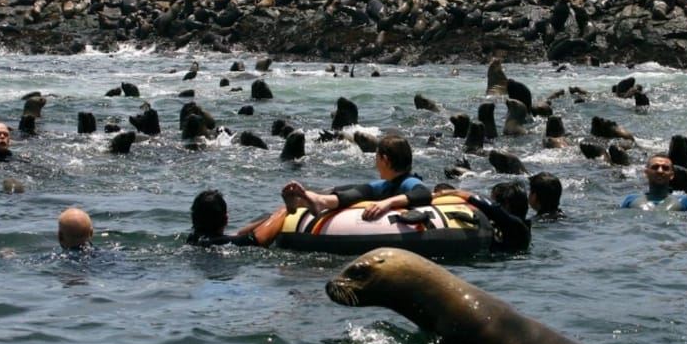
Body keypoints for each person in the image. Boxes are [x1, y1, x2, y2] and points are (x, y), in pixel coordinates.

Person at [281, 134, 430, 221]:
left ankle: (317, 201)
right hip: (383, 189)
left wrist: (388, 203)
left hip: (393, 200)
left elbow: (423, 194)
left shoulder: (409, 182)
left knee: (367, 190)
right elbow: (357, 191)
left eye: (376, 157)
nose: (375, 162)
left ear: (385, 160)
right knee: (358, 190)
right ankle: (312, 200)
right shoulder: (386, 184)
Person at [435, 181, 531, 253]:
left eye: (494, 200)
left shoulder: (517, 226)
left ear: (506, 205)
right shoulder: (515, 226)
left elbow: (491, 209)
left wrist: (458, 193)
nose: (492, 202)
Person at [186, 189, 289, 247]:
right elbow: (259, 239)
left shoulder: (192, 239)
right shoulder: (220, 243)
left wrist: (272, 216)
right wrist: (287, 208)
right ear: (226, 219)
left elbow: (239, 234)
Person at [621, 153, 687, 211]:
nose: (660, 171)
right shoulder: (631, 200)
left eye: (665, 168)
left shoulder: (684, 201)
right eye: (655, 167)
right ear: (646, 173)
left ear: (672, 175)